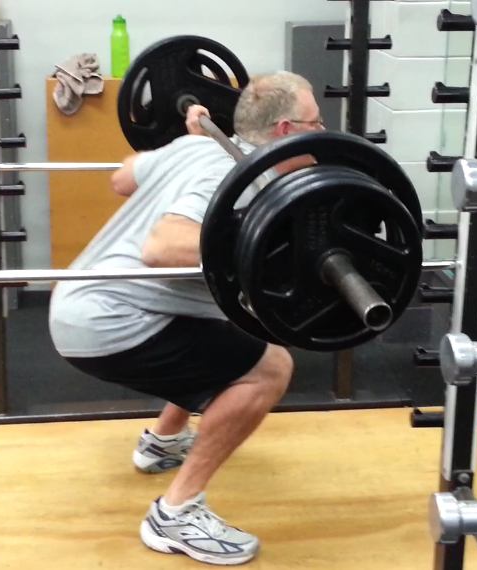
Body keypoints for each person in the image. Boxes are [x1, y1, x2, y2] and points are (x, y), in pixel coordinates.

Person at [48, 70, 325, 566]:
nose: (323, 134)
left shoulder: (196, 148)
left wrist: (184, 145)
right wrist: (257, 238)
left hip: (79, 305)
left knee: (227, 329)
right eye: (316, 122)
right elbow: (162, 247)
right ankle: (175, 514)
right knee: (270, 368)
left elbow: (122, 178)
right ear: (285, 130)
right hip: (112, 320)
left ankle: (163, 443)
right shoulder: (241, 178)